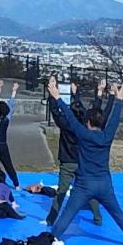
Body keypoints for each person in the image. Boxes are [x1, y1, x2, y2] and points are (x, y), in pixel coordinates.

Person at [47, 78, 123, 245]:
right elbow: (114, 119)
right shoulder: (107, 136)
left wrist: (57, 97)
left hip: (84, 185)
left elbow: (69, 118)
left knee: (68, 214)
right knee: (118, 214)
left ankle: (51, 241)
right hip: (105, 184)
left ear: (88, 122)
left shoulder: (83, 134)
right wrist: (119, 99)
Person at [44, 79, 104, 227]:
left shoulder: (66, 124)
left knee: (62, 191)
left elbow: (55, 112)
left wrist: (52, 95)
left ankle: (51, 219)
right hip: (83, 162)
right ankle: (98, 217)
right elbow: (94, 109)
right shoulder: (86, 125)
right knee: (89, 191)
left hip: (67, 162)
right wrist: (98, 93)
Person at [0, 81, 20, 188]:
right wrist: (14, 91)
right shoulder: (7, 119)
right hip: (3, 145)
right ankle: (16, 185)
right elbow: (11, 105)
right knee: (9, 166)